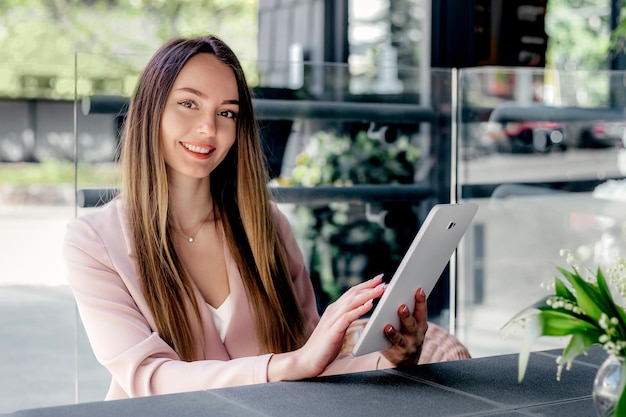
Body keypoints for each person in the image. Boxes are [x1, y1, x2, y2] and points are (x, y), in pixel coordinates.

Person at [63, 34, 428, 401]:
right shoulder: (94, 241)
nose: (209, 128)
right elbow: (150, 378)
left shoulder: (266, 225)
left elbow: (312, 365)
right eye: (189, 103)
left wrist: (391, 360)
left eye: (227, 113)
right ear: (150, 110)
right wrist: (287, 365)